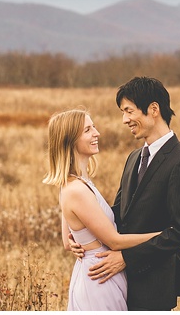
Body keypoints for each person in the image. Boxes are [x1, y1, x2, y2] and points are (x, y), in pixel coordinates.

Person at [87, 77, 180, 310]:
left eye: (129, 111)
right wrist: (86, 235)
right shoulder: (133, 158)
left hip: (154, 286)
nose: (124, 119)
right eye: (123, 112)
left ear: (154, 109)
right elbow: (119, 213)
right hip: (119, 285)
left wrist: (127, 258)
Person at [43, 109, 162, 311]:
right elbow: (114, 241)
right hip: (99, 278)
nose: (97, 133)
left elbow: (67, 242)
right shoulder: (76, 190)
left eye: (94, 127)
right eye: (88, 130)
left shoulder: (77, 182)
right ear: (70, 140)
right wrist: (164, 235)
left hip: (99, 274)